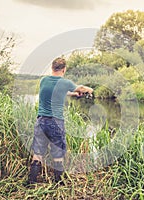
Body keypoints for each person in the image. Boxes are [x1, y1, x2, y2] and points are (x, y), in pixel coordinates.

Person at [27, 57, 93, 185]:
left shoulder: (44, 80)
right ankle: (59, 183)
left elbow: (57, 92)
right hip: (56, 122)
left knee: (37, 153)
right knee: (58, 153)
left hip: (41, 121)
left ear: (52, 68)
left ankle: (31, 182)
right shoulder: (65, 83)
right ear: (64, 69)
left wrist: (73, 95)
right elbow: (81, 88)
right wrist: (90, 90)